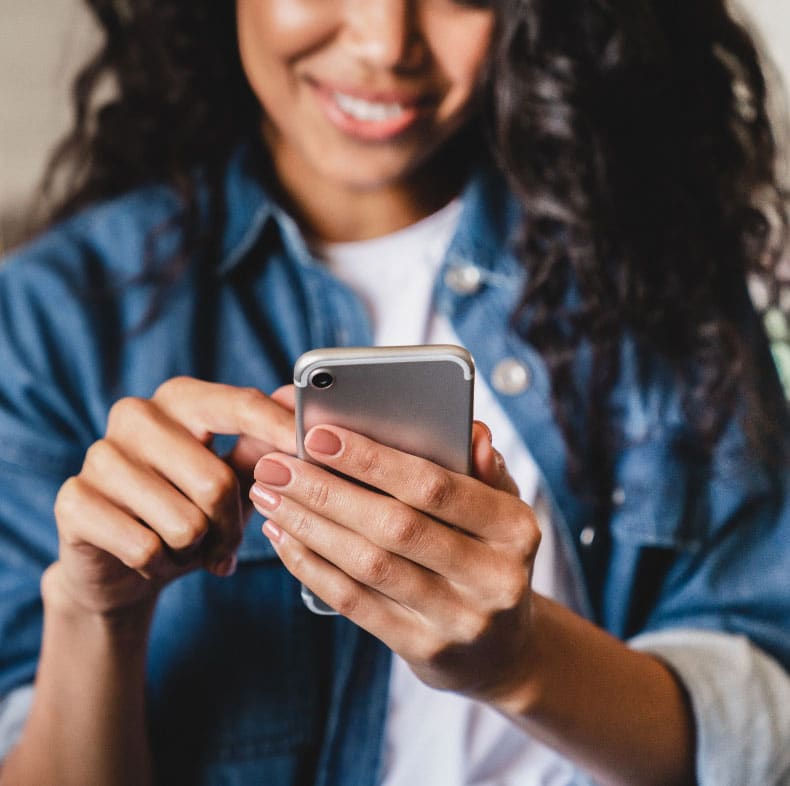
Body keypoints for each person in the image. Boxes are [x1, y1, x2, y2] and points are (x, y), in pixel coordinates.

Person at [0, 1, 789, 784]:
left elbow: (763, 725)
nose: (384, 43)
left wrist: (520, 661)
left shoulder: (657, 268)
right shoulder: (52, 320)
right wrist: (95, 613)